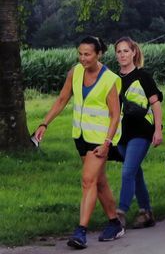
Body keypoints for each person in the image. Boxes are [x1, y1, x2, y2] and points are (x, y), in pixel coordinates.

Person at [34, 36, 124, 249]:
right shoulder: (75, 72)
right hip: (81, 137)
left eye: (87, 54)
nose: (83, 58)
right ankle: (115, 222)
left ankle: (80, 231)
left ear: (99, 54)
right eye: (80, 54)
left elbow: (115, 115)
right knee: (98, 181)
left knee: (87, 180)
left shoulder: (109, 79)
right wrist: (44, 123)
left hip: (101, 139)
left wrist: (107, 143)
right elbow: (62, 99)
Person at [114, 37, 163, 230]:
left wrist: (158, 130)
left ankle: (120, 213)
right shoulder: (114, 80)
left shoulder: (143, 76)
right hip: (121, 133)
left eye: (126, 51)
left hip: (142, 131)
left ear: (134, 52)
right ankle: (146, 212)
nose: (123, 55)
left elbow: (156, 104)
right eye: (119, 51)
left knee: (127, 171)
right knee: (135, 172)